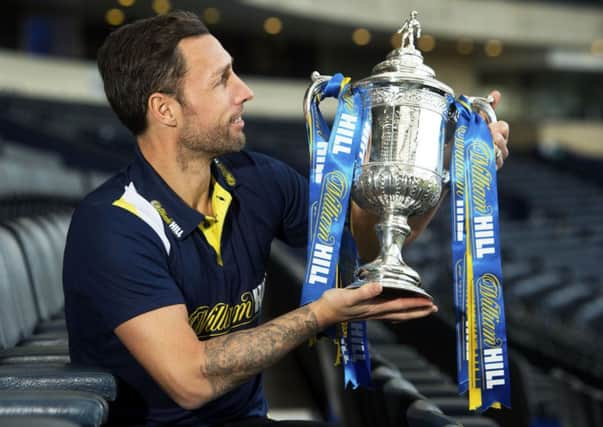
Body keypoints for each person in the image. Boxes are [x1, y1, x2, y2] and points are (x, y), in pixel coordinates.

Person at [63, 10, 510, 427]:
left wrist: (444, 164)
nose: (244, 91)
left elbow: (367, 243)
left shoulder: (257, 180)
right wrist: (316, 316)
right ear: (165, 109)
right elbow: (191, 382)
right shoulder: (113, 225)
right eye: (222, 80)